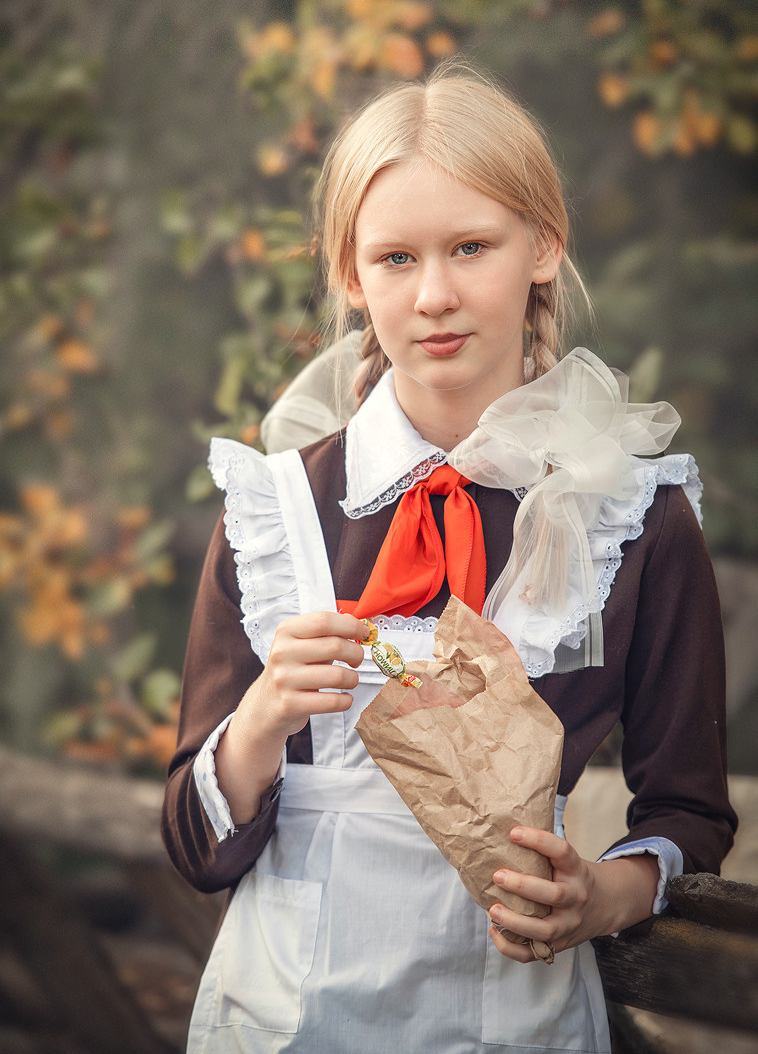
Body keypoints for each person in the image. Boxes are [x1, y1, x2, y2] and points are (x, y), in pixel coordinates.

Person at [162, 66, 736, 1054]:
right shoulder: (277, 514)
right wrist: (257, 723)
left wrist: (602, 896)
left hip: (520, 1025)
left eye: (472, 246)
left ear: (544, 245)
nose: (435, 295)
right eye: (394, 258)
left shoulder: (634, 520)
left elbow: (688, 809)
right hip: (282, 1024)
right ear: (351, 274)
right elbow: (196, 850)